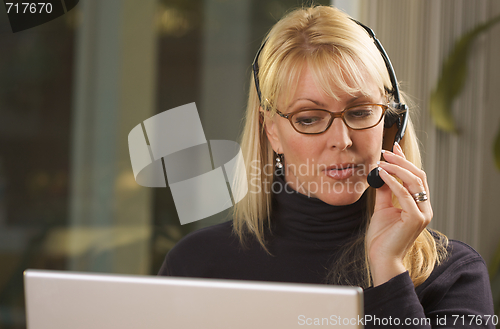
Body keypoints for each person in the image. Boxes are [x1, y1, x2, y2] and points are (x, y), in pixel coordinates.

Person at [159, 5, 495, 328]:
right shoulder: (196, 265)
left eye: (361, 111)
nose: (342, 139)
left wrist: (389, 271)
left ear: (392, 123)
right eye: (308, 118)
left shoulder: (454, 274)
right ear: (270, 130)